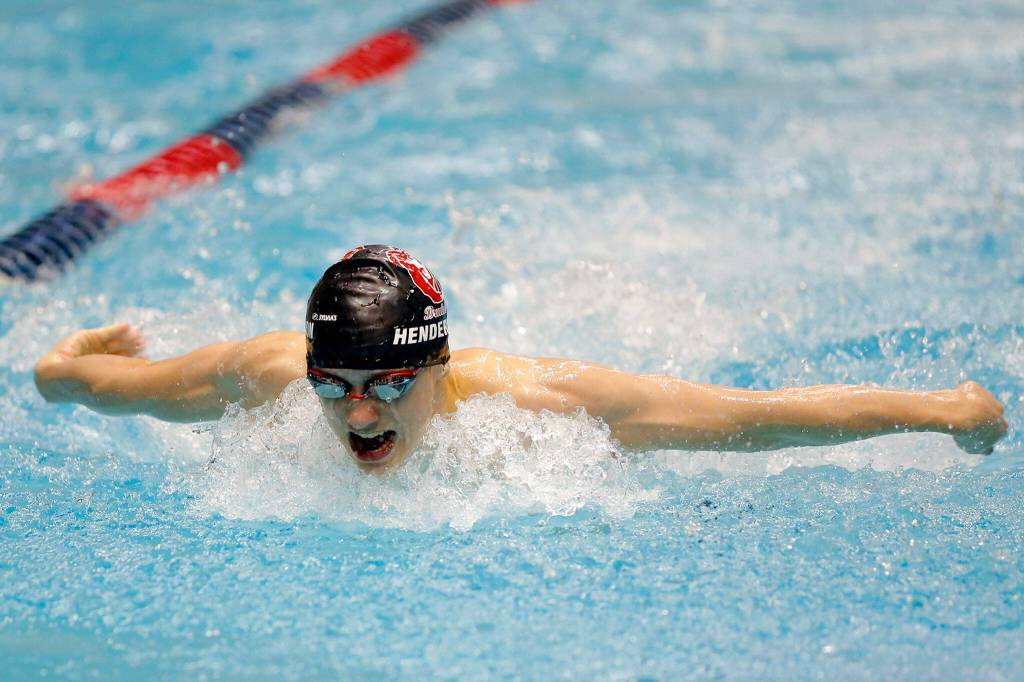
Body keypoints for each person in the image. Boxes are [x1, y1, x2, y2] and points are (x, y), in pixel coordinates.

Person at [34, 244, 1008, 473]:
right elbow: (93, 387)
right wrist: (67, 361)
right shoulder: (270, 373)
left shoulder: (543, 403)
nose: (357, 416)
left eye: (387, 387)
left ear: (438, 369)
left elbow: (753, 414)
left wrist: (940, 409)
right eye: (336, 386)